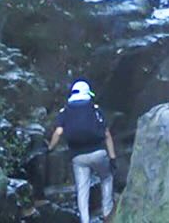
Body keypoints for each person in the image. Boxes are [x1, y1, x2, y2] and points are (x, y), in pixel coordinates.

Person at [47, 79, 117, 223]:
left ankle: (84, 220)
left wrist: (50, 148)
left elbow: (58, 132)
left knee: (82, 189)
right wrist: (112, 157)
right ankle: (107, 212)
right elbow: (107, 134)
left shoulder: (66, 111)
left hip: (78, 157)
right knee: (106, 178)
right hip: (98, 153)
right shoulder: (95, 109)